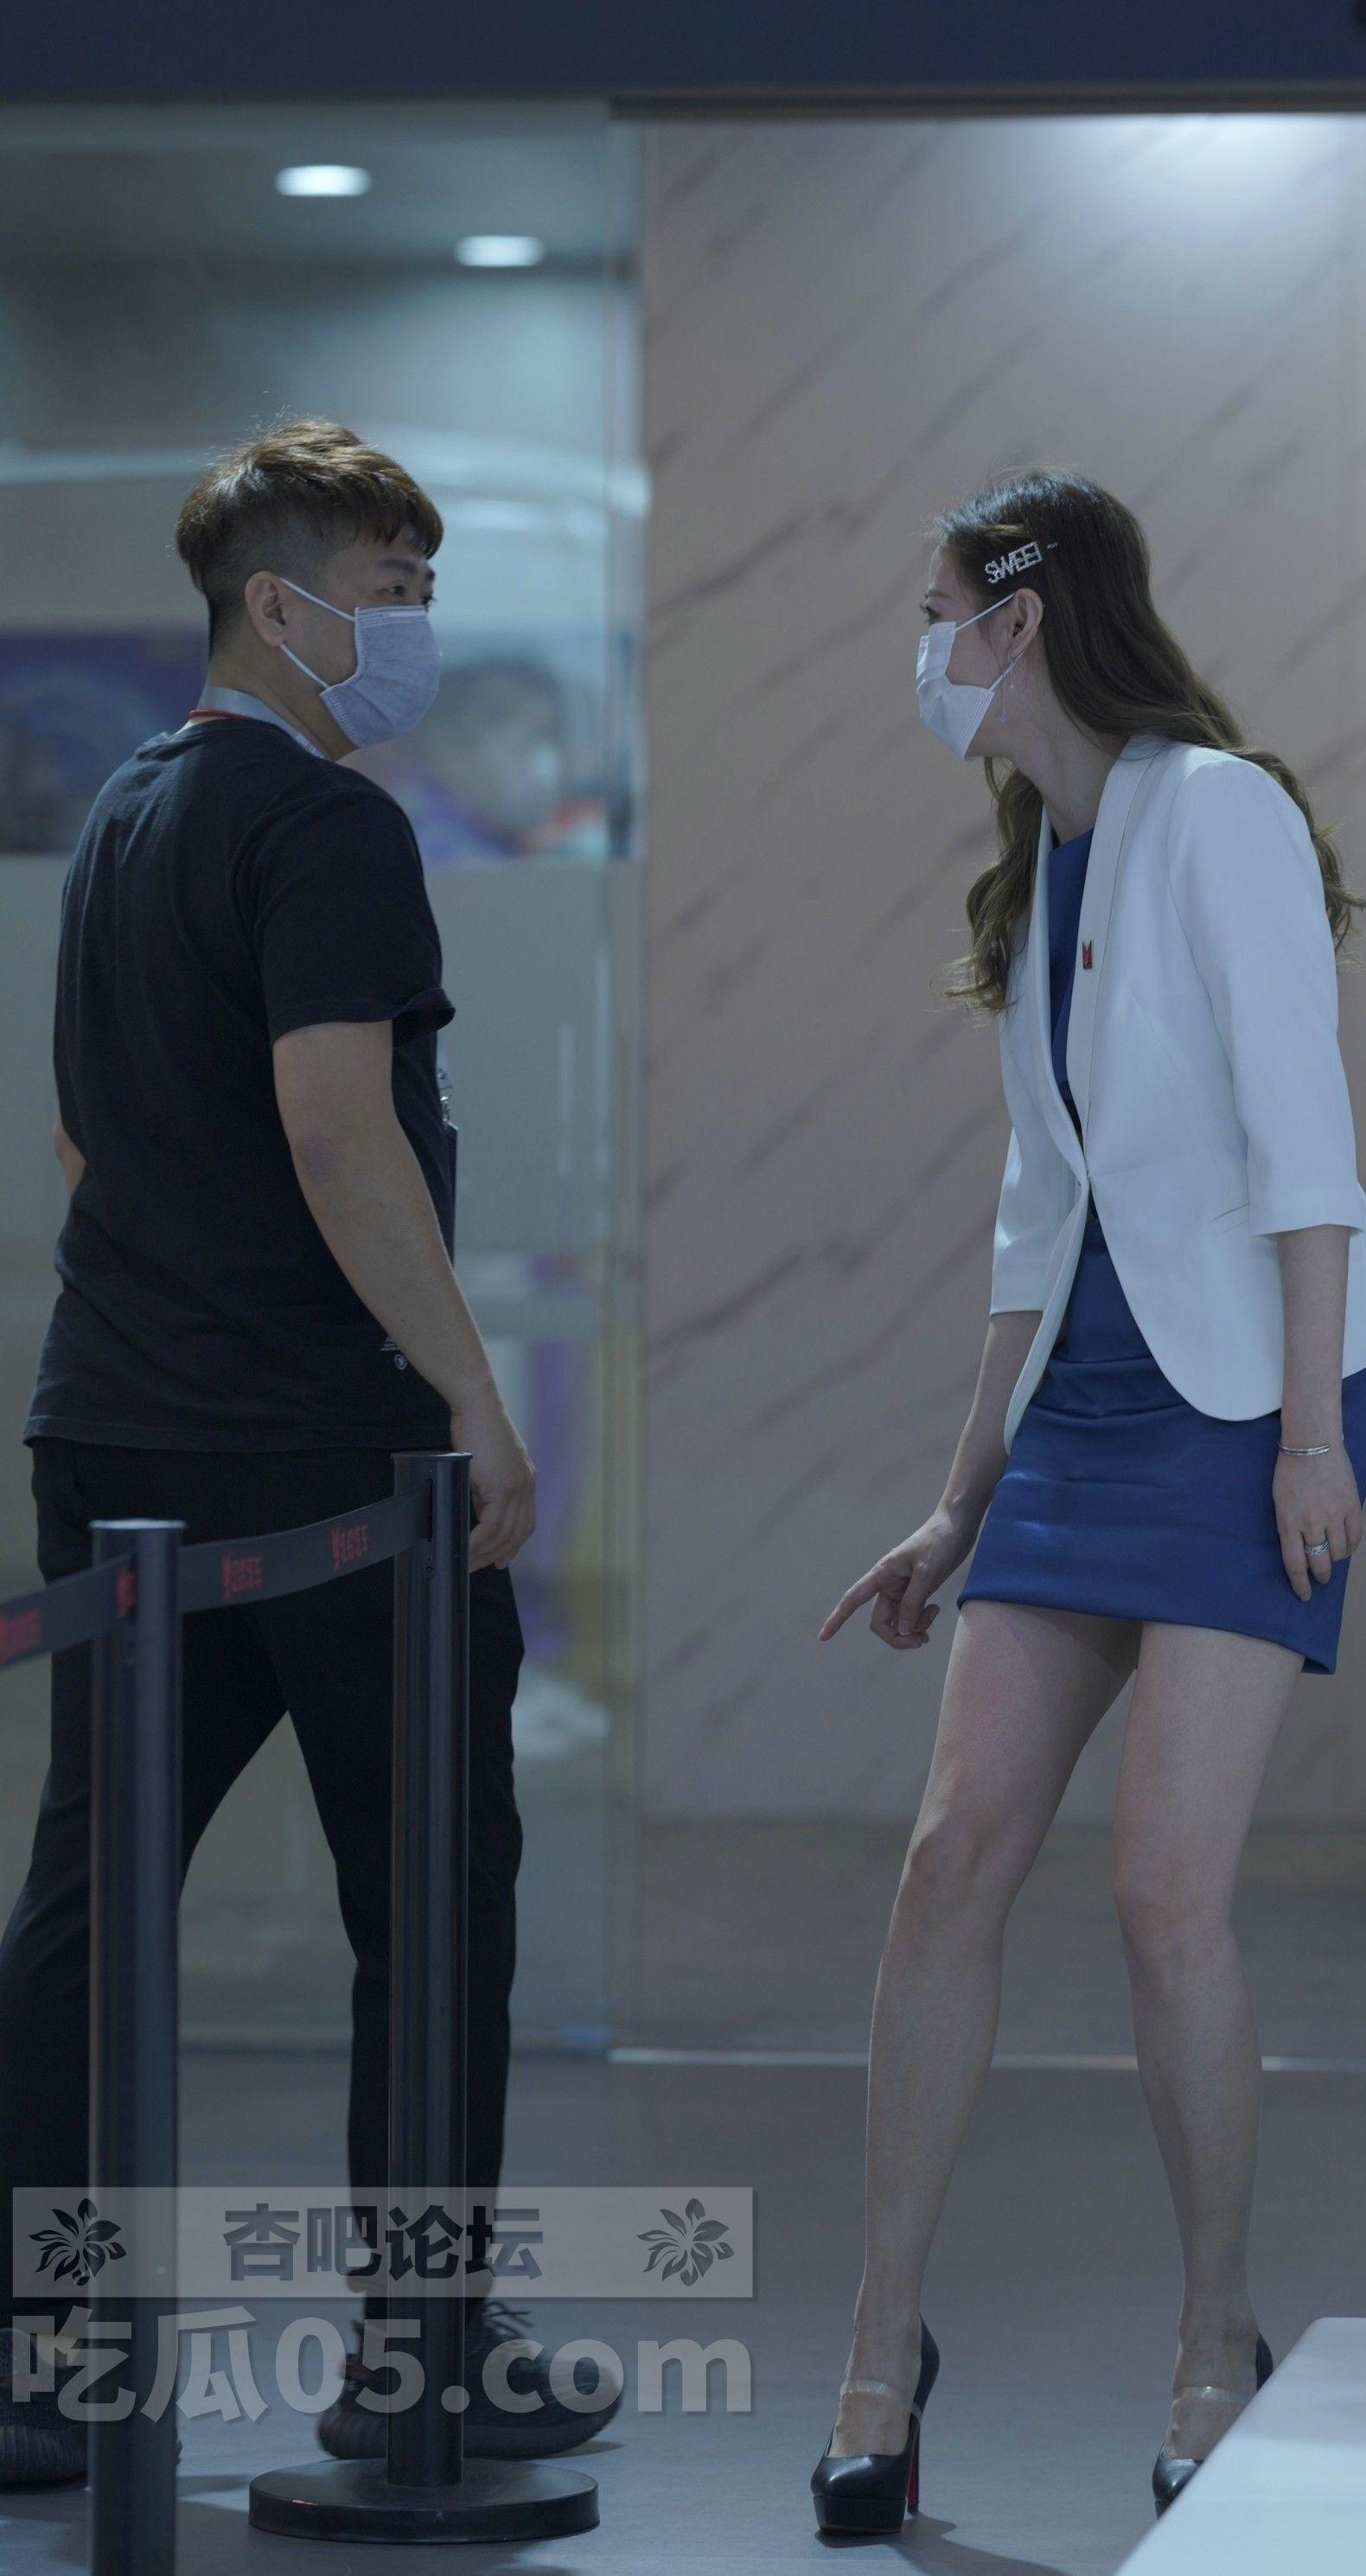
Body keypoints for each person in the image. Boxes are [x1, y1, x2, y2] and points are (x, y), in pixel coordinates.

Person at [810, 469, 1366, 2535]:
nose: (921, 650)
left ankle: (1208, 2332)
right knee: (947, 1859)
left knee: (1167, 1892)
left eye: (936, 610)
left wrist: (1312, 1435)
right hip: (1080, 1404)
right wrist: (955, 1501)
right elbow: (1036, 1211)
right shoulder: (1043, 858)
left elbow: (1303, 1139)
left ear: (1021, 614)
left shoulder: (1215, 809)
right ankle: (879, 2342)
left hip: (1252, 1392)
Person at [0, 418, 616, 2482]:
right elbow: (341, 1131)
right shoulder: (326, 822)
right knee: (431, 1899)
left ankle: (37, 2358)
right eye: (391, 586)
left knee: (90, 1900)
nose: (417, 621)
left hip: (114, 1431)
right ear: (277, 603)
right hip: (331, 1460)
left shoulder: (125, 811)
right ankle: (419, 2352)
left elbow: (88, 1135)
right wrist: (470, 1396)